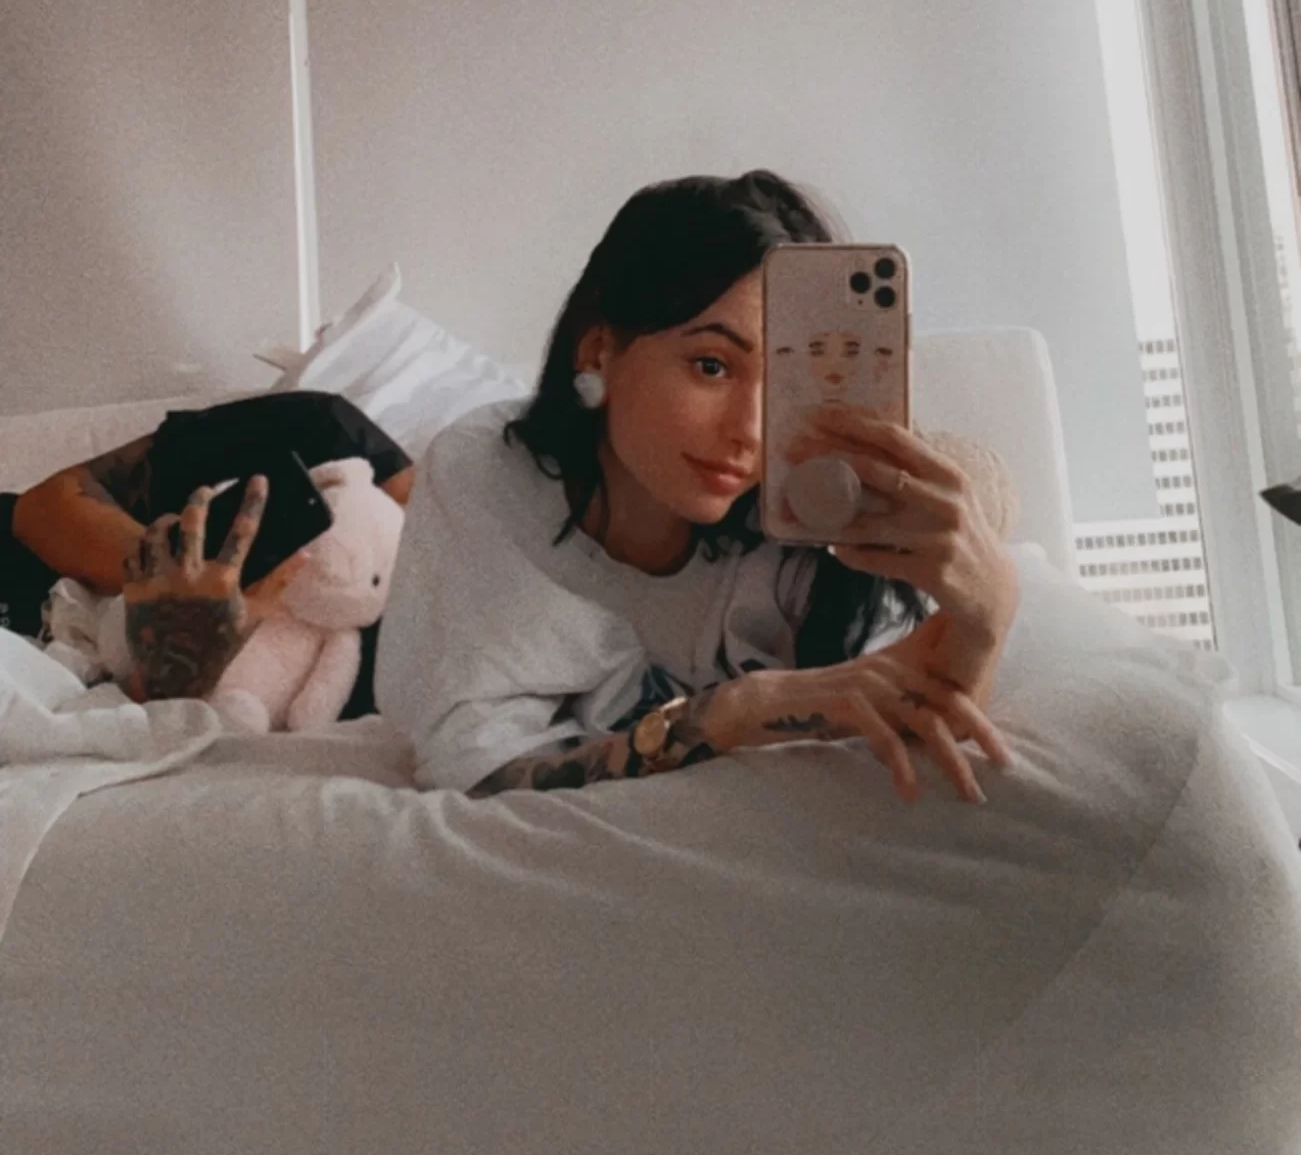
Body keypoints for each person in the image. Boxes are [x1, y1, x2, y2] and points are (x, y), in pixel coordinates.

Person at [376, 172, 1019, 800]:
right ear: (599, 350)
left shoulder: (805, 521)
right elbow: (483, 776)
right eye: (712, 366)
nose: (750, 432)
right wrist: (726, 713)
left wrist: (988, 613)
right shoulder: (487, 477)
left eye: (785, 384)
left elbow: (919, 716)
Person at [1, 390, 414, 712]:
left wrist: (181, 664)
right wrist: (178, 579)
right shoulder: (329, 437)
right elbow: (44, 508)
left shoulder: (428, 680)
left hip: (69, 700)